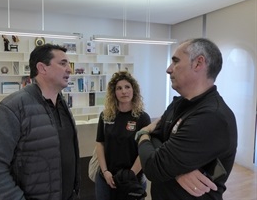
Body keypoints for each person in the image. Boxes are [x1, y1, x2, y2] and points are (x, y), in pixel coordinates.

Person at [136, 38, 237, 200]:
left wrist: (142, 134)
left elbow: (153, 167)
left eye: (175, 61)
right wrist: (176, 170)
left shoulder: (212, 117)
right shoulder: (179, 103)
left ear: (198, 63)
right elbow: (156, 136)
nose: (169, 69)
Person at [0, 43, 80, 200]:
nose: (69, 69)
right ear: (42, 68)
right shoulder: (12, 108)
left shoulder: (62, 105)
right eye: (62, 63)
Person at [95, 71, 151, 200]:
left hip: (132, 180)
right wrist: (105, 172)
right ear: (114, 93)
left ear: (134, 90)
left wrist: (130, 175)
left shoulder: (142, 118)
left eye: (127, 87)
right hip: (106, 178)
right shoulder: (106, 116)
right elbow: (100, 143)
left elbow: (144, 150)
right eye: (119, 88)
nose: (124, 91)